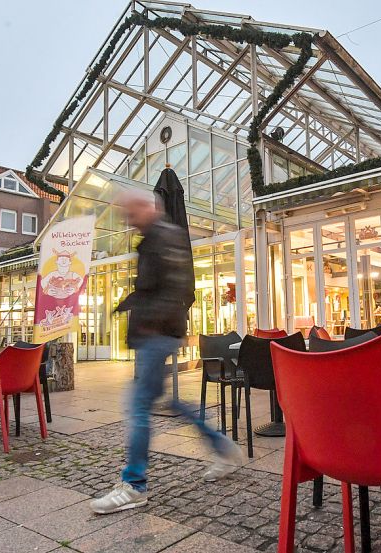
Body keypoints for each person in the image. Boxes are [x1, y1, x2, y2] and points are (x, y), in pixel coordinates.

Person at [90, 189, 243, 515]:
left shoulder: (165, 237)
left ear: (148, 207)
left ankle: (134, 485)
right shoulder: (152, 238)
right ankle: (222, 446)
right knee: (166, 401)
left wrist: (151, 322)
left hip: (157, 334)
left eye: (131, 213)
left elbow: (179, 288)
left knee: (139, 408)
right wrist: (129, 304)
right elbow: (157, 286)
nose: (128, 221)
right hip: (155, 333)